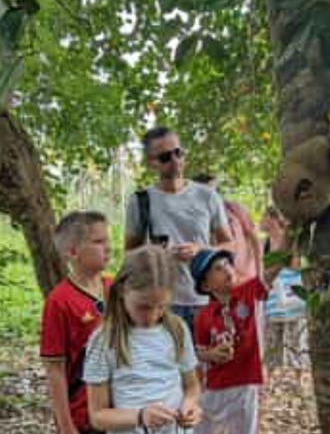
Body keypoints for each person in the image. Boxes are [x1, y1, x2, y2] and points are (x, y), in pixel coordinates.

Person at [84, 246, 208, 434]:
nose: (152, 315)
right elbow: (97, 416)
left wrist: (191, 406)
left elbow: (192, 386)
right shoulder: (105, 340)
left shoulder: (177, 329)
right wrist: (140, 416)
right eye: (143, 306)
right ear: (121, 291)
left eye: (161, 306)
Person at [189, 246, 284, 434]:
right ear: (206, 286)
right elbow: (196, 354)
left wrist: (287, 238)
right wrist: (211, 354)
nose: (227, 270)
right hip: (213, 389)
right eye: (218, 269)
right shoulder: (202, 317)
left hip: (244, 386)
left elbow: (273, 270)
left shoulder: (248, 292)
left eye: (227, 264)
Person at [124, 127, 233, 332]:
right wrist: (157, 255)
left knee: (210, 362)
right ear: (151, 163)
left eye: (178, 152)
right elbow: (129, 255)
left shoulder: (207, 196)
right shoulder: (140, 201)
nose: (175, 160)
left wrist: (201, 250)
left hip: (206, 299)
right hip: (162, 303)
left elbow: (230, 244)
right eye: (165, 157)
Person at [40, 211, 112, 434]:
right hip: (82, 415)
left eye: (107, 239)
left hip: (116, 407)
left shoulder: (112, 287)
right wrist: (67, 429)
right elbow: (54, 371)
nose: (108, 247)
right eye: (98, 241)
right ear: (72, 251)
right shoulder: (59, 301)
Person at [260, 207, 308, 386]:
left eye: (264, 217)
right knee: (271, 337)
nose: (260, 222)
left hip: (290, 293)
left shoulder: (291, 241)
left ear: (272, 219)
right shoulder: (263, 244)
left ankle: (299, 376)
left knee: (296, 336)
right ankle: (269, 377)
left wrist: (284, 255)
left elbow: (296, 267)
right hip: (271, 296)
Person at [191, 174, 260, 283]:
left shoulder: (233, 207)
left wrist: (260, 273)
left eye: (213, 189)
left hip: (248, 274)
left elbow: (255, 240)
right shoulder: (197, 219)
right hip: (223, 282)